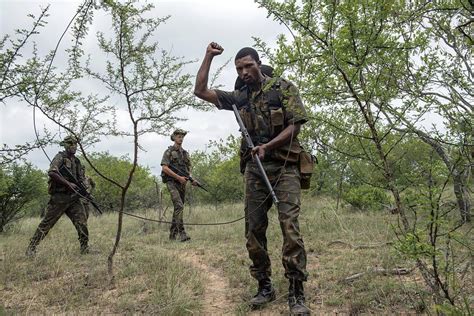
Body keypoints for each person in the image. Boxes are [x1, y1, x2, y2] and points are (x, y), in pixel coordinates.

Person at [194, 42, 311, 315]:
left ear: (258, 64)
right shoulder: (239, 97)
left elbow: (296, 125)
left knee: (289, 227)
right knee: (253, 230)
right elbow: (200, 91)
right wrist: (208, 56)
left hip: (285, 166)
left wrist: (268, 147)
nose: (244, 71)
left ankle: (296, 292)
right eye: (239, 68)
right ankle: (264, 285)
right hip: (255, 169)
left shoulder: (283, 88)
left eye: (248, 66)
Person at [26, 135, 92, 256]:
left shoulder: (76, 161)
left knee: (82, 223)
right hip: (59, 198)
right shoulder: (60, 157)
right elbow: (52, 172)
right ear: (65, 145)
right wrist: (68, 184)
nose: (73, 146)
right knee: (47, 224)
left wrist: (85, 191)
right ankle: (31, 248)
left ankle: (84, 248)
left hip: (74, 199)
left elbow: (81, 180)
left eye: (75, 144)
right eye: (70, 143)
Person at [161, 129, 197, 242]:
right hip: (171, 182)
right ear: (174, 137)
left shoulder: (185, 153)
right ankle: (182, 233)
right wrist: (178, 178)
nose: (181, 138)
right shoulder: (169, 151)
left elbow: (188, 170)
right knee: (179, 206)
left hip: (182, 183)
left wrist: (192, 179)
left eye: (182, 137)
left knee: (178, 208)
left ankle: (172, 235)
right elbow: (164, 168)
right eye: (179, 136)